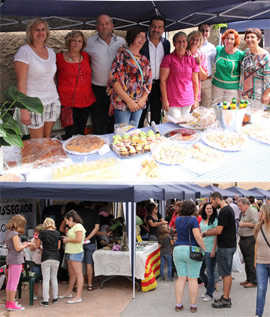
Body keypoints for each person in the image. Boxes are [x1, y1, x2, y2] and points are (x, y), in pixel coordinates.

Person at [14, 18, 60, 138]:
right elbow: (21, 83)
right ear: (30, 33)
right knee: (37, 142)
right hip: (33, 103)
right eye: (37, 30)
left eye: (43, 29)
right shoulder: (24, 52)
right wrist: (23, 109)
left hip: (52, 100)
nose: (40, 33)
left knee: (47, 137)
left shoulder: (51, 52)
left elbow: (51, 78)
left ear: (47, 32)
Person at [84, 14, 126, 134]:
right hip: (98, 90)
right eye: (101, 24)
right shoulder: (88, 43)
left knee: (117, 124)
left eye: (107, 23)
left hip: (118, 90)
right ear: (96, 27)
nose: (104, 27)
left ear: (112, 26)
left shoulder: (121, 42)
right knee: (99, 123)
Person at [107, 26, 152, 128]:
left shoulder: (144, 59)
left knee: (133, 134)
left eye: (144, 37)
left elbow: (149, 82)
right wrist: (129, 102)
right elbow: (115, 80)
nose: (142, 39)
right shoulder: (122, 55)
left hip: (139, 103)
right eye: (139, 36)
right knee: (122, 134)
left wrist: (143, 99)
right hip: (123, 102)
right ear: (132, 37)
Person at [56, 31, 96, 139]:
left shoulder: (86, 56)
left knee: (81, 132)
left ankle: (80, 154)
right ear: (69, 42)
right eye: (74, 40)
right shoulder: (59, 58)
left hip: (86, 100)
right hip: (68, 102)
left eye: (79, 41)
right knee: (70, 134)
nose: (76, 43)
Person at [203, 192, 236, 309]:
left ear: (217, 199)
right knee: (225, 273)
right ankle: (225, 296)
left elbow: (218, 230)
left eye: (212, 202)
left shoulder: (224, 211)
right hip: (228, 245)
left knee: (226, 273)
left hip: (226, 246)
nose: (211, 205)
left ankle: (226, 299)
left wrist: (205, 233)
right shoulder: (227, 209)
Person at [173, 200, 206, 313]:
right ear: (192, 209)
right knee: (192, 279)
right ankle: (192, 306)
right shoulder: (193, 220)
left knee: (181, 278)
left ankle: (178, 304)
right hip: (191, 250)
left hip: (178, 249)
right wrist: (204, 248)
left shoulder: (177, 219)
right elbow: (197, 236)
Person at [138, 15, 171, 127]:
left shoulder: (166, 44)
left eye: (159, 27)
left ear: (163, 29)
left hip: (159, 85)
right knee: (140, 115)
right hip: (143, 85)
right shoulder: (142, 42)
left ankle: (155, 140)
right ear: (149, 26)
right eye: (153, 26)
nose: (156, 30)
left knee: (156, 117)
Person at [160, 31, 199, 118]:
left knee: (185, 125)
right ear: (174, 43)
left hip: (188, 99)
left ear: (187, 43)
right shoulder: (168, 59)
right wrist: (165, 99)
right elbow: (163, 81)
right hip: (172, 99)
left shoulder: (192, 60)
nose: (181, 44)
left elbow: (195, 82)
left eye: (184, 41)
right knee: (175, 126)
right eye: (178, 41)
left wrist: (195, 100)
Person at [5, 215, 34, 311]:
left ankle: (9, 302)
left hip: (10, 258)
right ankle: (12, 303)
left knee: (10, 282)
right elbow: (17, 248)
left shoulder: (9, 232)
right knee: (14, 282)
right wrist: (27, 245)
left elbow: (15, 246)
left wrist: (22, 245)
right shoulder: (15, 234)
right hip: (16, 259)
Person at [59, 210, 86, 304]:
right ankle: (69, 292)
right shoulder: (74, 227)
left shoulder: (78, 226)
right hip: (70, 252)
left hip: (75, 252)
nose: (66, 223)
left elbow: (78, 239)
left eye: (67, 221)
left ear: (71, 219)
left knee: (78, 274)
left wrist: (67, 240)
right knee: (72, 274)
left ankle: (78, 296)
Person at [240, 28, 270, 108]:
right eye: (247, 37)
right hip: (243, 94)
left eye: (252, 37)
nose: (249, 39)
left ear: (259, 39)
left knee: (255, 119)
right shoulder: (246, 52)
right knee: (243, 118)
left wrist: (266, 94)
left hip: (257, 96)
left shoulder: (265, 57)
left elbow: (268, 78)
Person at [212, 29, 245, 102]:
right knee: (218, 108)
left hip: (232, 88)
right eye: (227, 38)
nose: (229, 41)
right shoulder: (218, 49)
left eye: (232, 39)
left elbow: (244, 71)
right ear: (224, 39)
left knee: (229, 110)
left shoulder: (240, 54)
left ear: (235, 41)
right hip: (217, 86)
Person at [36, 218, 61, 307]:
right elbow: (58, 247)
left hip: (46, 257)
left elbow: (37, 245)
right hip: (56, 257)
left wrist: (43, 248)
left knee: (46, 279)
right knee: (54, 278)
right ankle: (55, 298)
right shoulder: (58, 233)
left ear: (45, 224)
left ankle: (45, 300)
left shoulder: (42, 233)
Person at [78, 202, 100, 291]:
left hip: (78, 241)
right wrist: (87, 238)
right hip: (90, 242)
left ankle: (77, 285)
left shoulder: (77, 213)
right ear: (92, 205)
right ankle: (90, 285)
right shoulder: (95, 213)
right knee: (89, 263)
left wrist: (82, 238)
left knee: (78, 263)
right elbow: (96, 228)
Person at [238, 197, 259, 288]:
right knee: (246, 260)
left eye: (240, 206)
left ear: (246, 204)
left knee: (250, 260)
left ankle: (254, 280)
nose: (239, 208)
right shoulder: (244, 212)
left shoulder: (252, 211)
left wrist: (244, 224)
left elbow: (256, 224)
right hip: (244, 238)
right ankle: (249, 278)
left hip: (249, 239)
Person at [199, 203, 218, 302]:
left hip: (211, 249)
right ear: (204, 210)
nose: (209, 210)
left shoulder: (215, 220)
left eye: (211, 208)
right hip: (203, 249)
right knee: (200, 272)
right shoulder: (202, 220)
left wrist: (214, 249)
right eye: (207, 208)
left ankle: (209, 293)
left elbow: (216, 235)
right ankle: (210, 288)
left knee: (210, 272)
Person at [254, 204, 270, 317]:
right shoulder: (258, 227)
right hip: (261, 263)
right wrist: (255, 259)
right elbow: (256, 244)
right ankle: (258, 314)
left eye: (261, 212)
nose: (259, 214)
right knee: (261, 290)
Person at [187, 31, 208, 106]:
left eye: (197, 40)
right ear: (188, 39)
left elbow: (203, 77)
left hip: (195, 91)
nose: (194, 42)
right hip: (182, 90)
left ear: (200, 42)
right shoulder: (183, 52)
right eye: (192, 39)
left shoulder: (201, 55)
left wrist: (198, 65)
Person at [198, 23, 216, 108]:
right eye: (202, 30)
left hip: (206, 82)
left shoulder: (211, 48)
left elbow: (216, 63)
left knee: (205, 108)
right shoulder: (192, 44)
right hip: (192, 81)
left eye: (207, 31)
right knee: (192, 108)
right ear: (198, 31)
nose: (204, 33)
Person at [29, 224, 43, 301]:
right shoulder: (33, 239)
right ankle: (35, 293)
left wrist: (39, 246)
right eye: (35, 233)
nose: (36, 234)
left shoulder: (44, 240)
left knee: (44, 279)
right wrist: (34, 241)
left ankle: (45, 294)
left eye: (38, 233)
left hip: (43, 261)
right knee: (36, 278)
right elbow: (31, 249)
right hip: (35, 262)